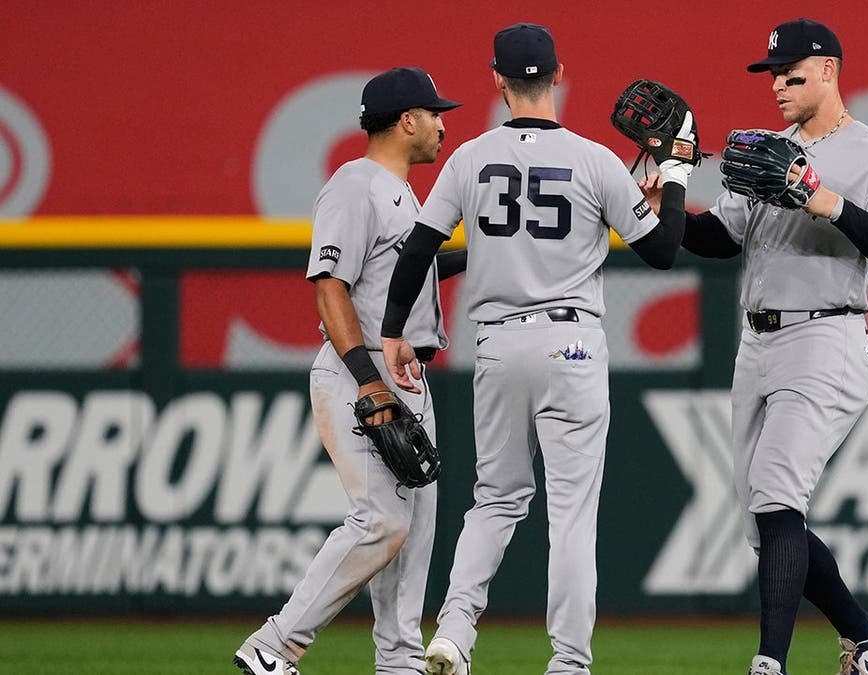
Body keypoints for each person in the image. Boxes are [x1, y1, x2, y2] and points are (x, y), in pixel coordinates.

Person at [378, 22, 692, 675]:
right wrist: (678, 173)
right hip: (571, 341)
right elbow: (664, 252)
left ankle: (454, 632)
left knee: (494, 499)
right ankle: (569, 662)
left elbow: (417, 250)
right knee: (572, 513)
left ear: (497, 80)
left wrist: (392, 331)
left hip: (497, 343)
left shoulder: (469, 156)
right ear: (557, 74)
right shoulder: (595, 159)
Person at [640, 17, 868, 675]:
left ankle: (769, 662)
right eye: (771, 74)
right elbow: (723, 239)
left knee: (776, 497)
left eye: (791, 72)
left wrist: (827, 200)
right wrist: (669, 212)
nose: (777, 85)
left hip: (827, 334)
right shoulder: (765, 148)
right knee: (764, 526)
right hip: (757, 342)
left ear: (828, 70)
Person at [233, 67, 466, 675]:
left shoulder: (403, 191)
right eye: (434, 114)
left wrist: (499, 250)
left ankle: (399, 662)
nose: (443, 125)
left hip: (407, 376)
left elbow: (410, 273)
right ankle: (275, 644)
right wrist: (366, 379)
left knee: (412, 540)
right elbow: (330, 286)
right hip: (358, 374)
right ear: (407, 120)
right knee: (383, 522)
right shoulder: (354, 184)